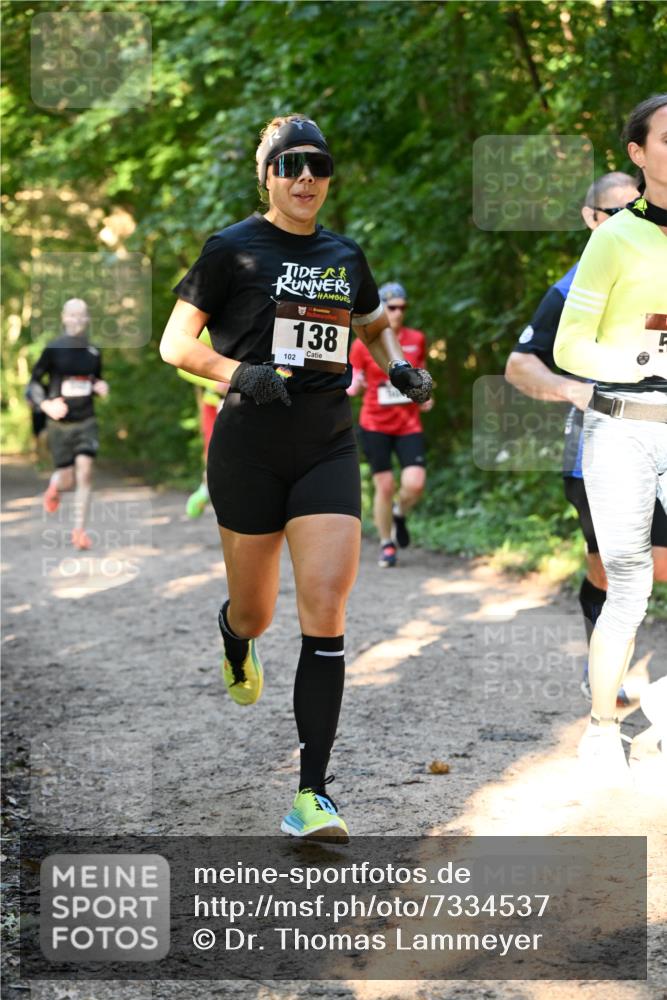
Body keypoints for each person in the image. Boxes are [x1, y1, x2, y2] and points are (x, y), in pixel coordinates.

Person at [160, 114, 432, 841]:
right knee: (257, 614)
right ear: (267, 175)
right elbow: (174, 343)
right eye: (290, 165)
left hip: (326, 444)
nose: (305, 176)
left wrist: (397, 366)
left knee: (325, 605)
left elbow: (371, 323)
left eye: (317, 163)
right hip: (248, 447)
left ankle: (312, 793)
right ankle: (233, 633)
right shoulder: (230, 249)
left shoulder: (346, 254)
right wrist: (238, 373)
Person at [505, 172, 667, 705]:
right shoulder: (572, 286)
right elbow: (518, 365)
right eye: (614, 211)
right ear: (591, 219)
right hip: (599, 446)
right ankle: (603, 672)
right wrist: (571, 389)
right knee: (608, 568)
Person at [553, 93, 667, 786]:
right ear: (637, 153)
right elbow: (570, 343)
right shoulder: (614, 238)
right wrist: (637, 364)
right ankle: (601, 729)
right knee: (627, 584)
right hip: (623, 428)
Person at [348, 282, 433, 567]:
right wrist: (354, 385)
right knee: (383, 486)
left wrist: (424, 396)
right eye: (392, 307)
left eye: (402, 307)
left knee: (415, 484)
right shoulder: (361, 344)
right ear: (381, 308)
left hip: (408, 423)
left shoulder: (416, 339)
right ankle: (387, 543)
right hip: (374, 424)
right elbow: (352, 381)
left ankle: (400, 512)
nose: (398, 312)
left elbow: (419, 375)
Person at [26, 298, 108, 550]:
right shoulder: (53, 349)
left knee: (85, 472)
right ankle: (54, 486)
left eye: (82, 315)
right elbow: (32, 385)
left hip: (86, 420)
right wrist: (46, 405)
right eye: (72, 315)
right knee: (67, 480)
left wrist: (100, 387)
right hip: (59, 424)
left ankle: (79, 531)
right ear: (63, 318)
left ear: (87, 319)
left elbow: (93, 382)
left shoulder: (94, 352)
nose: (77, 319)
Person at [176, 330, 228, 519]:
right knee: (213, 453)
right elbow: (181, 364)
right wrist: (215, 383)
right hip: (215, 404)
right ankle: (205, 490)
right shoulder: (209, 327)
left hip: (252, 403)